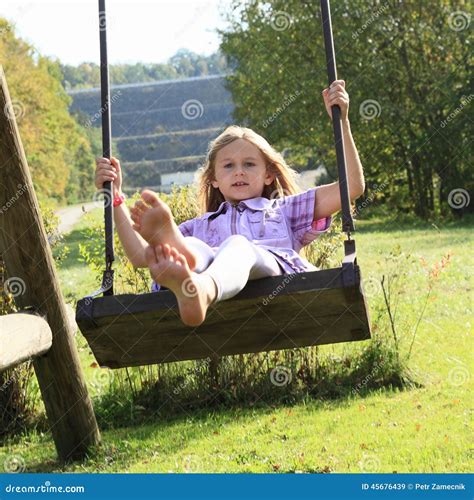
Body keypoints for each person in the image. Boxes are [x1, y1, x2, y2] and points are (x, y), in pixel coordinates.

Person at [95, 80, 365, 327]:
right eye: (228, 166)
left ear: (268, 174)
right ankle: (187, 266)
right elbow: (142, 257)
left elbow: (351, 187)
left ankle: (201, 290)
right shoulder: (201, 225)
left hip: (277, 278)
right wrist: (115, 196)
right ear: (213, 179)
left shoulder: (284, 209)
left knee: (238, 246)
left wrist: (341, 121)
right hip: (210, 268)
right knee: (192, 245)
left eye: (249, 164)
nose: (239, 172)